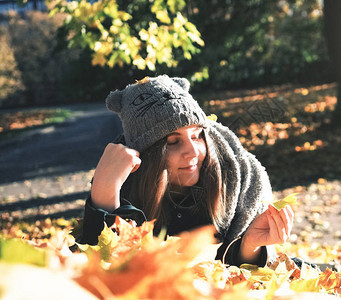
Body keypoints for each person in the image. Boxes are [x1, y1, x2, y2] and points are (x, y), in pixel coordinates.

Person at [80, 75, 294, 267]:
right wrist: (105, 191)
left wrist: (250, 246)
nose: (192, 151)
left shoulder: (236, 180)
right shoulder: (127, 184)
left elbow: (237, 276)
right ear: (146, 156)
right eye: (173, 142)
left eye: (197, 136)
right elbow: (100, 267)